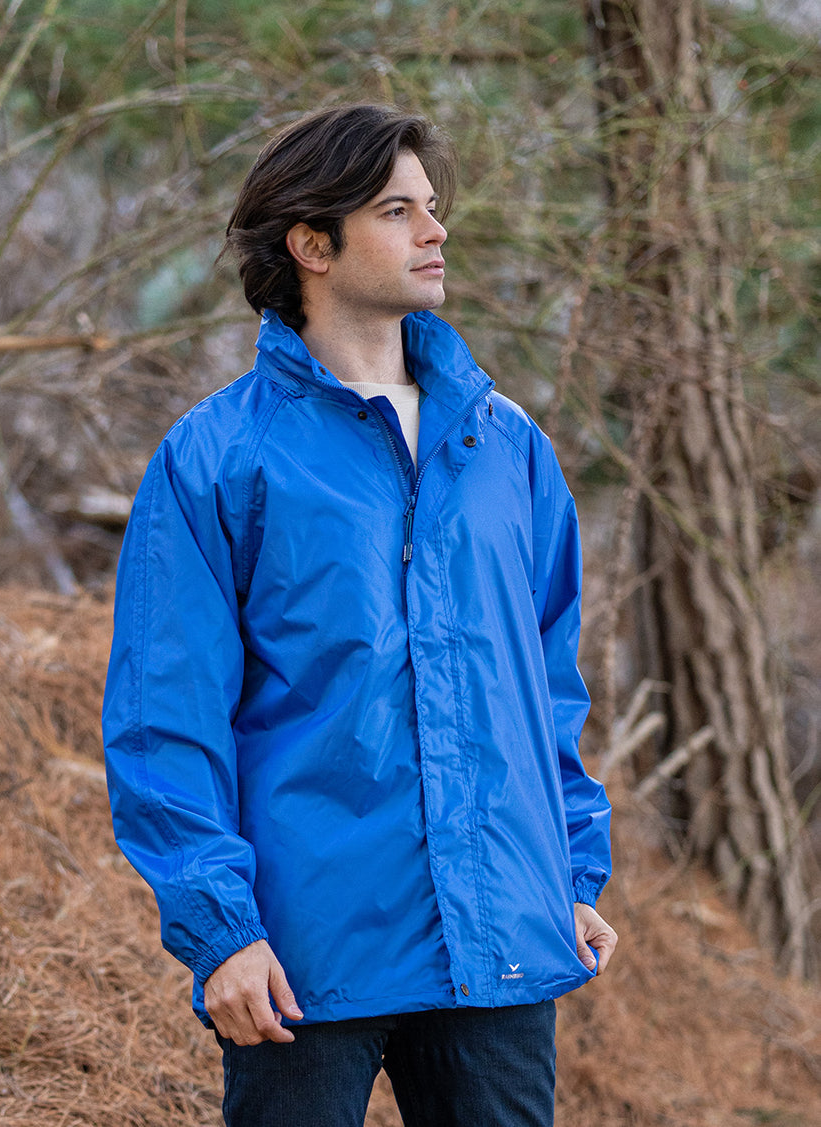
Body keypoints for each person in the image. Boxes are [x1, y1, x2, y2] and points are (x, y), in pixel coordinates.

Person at [103, 103, 616, 1127]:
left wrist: (569, 870)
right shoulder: (219, 456)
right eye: (396, 210)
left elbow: (547, 689)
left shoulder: (507, 447)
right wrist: (222, 928)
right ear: (312, 244)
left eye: (431, 206)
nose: (435, 229)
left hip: (502, 938)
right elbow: (166, 719)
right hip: (302, 952)